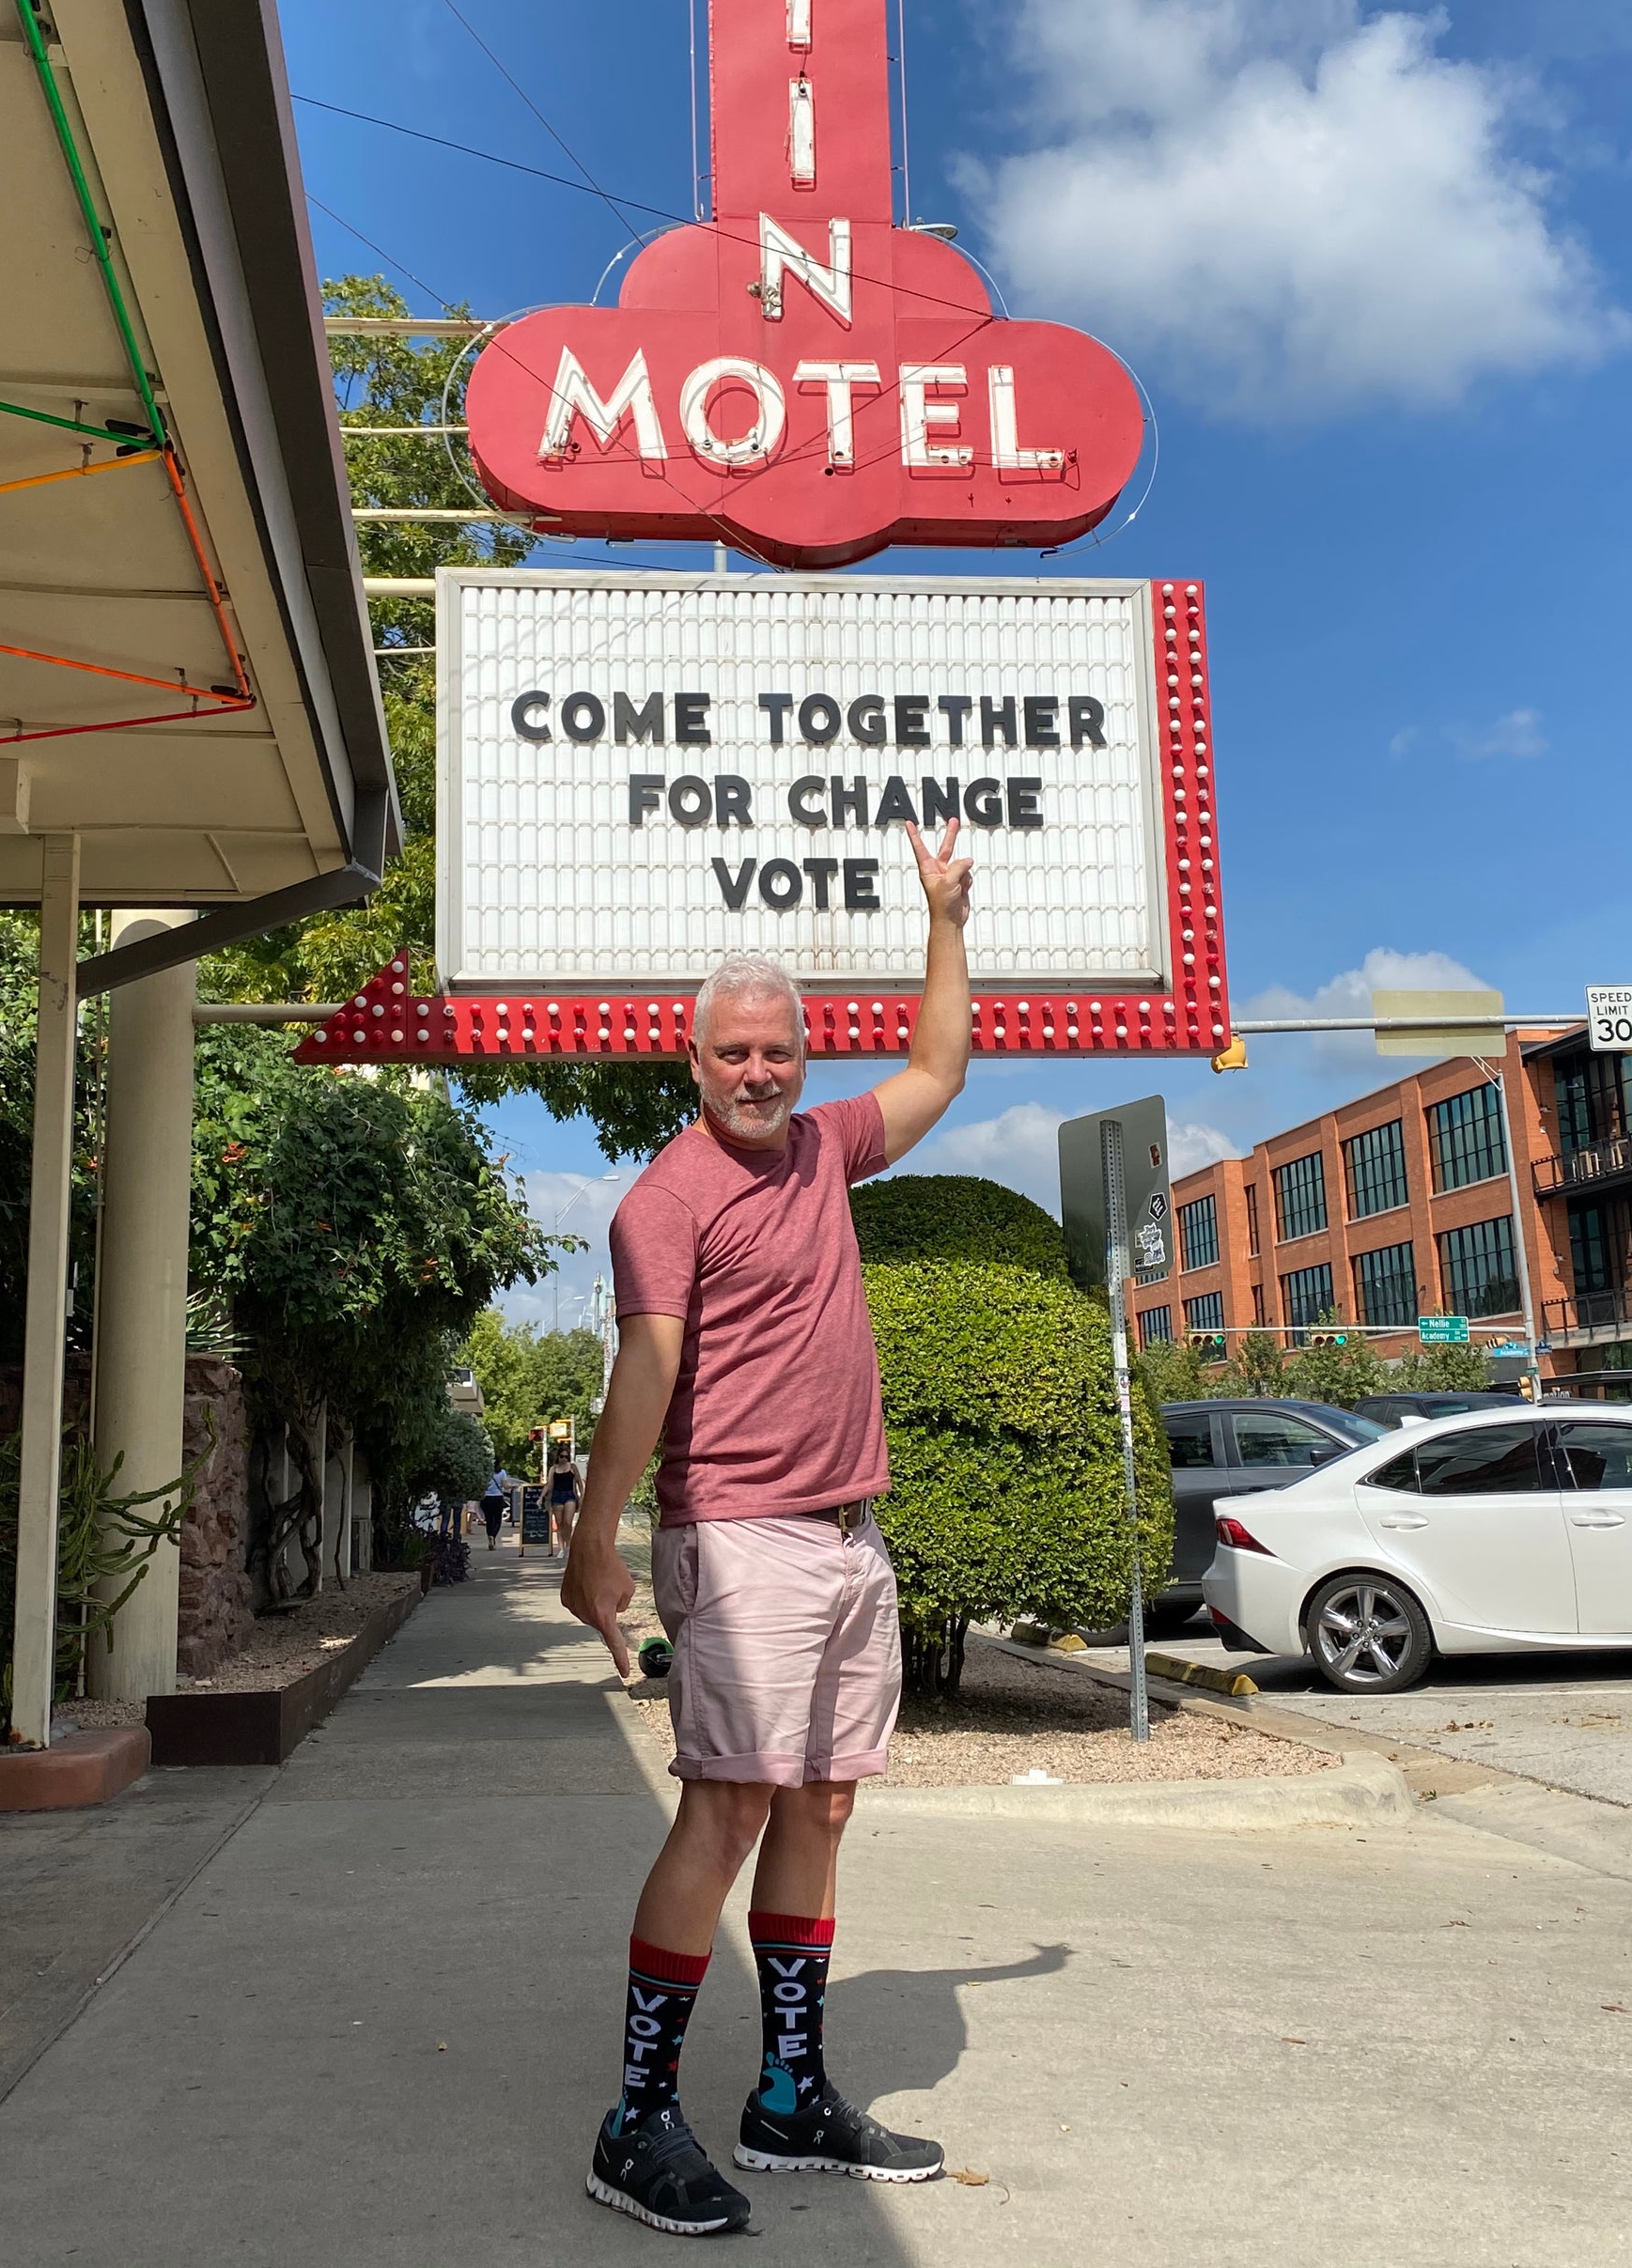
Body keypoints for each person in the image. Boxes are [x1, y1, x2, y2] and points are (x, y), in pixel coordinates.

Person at [563, 818, 973, 2236]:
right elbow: (649, 1368)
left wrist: (942, 917)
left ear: (800, 1056)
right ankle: (636, 2117)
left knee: (823, 1799)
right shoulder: (662, 1198)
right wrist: (593, 1536)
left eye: (777, 1050)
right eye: (732, 1051)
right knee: (727, 1804)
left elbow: (934, 1071)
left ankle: (787, 2093)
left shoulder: (822, 1147)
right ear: (692, 1062)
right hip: (737, 1539)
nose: (757, 1071)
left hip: (850, 1535)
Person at [546, 1444, 582, 1559]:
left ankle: (568, 1546)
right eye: (562, 1456)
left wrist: (582, 1495)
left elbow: (579, 1481)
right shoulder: (553, 1469)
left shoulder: (572, 1467)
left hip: (569, 1495)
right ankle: (561, 1548)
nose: (564, 1459)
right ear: (558, 1457)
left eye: (566, 1457)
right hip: (557, 1495)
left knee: (568, 1522)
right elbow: (549, 1484)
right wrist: (542, 1496)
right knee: (560, 1523)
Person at [480, 1463, 520, 1549]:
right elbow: (505, 1486)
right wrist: (513, 1486)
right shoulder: (502, 1472)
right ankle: (493, 1536)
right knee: (497, 1520)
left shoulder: (485, 1472)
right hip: (498, 1498)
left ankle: (490, 1536)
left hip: (486, 1498)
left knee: (489, 1519)